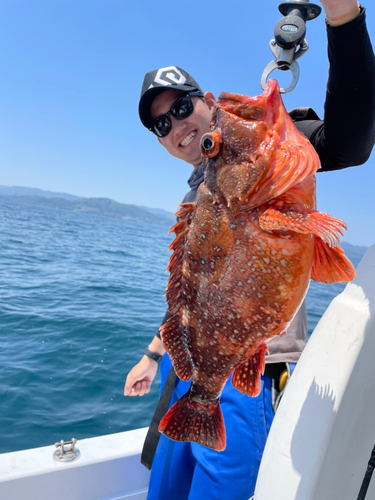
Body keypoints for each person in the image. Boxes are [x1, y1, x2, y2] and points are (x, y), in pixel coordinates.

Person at [124, 2, 375, 499]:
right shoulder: (196, 194)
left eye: (181, 107)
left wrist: (344, 19)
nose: (176, 126)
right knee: (164, 491)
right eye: (161, 125)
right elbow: (190, 298)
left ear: (207, 103)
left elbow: (350, 142)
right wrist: (154, 355)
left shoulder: (265, 148)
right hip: (190, 366)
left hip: (250, 367)